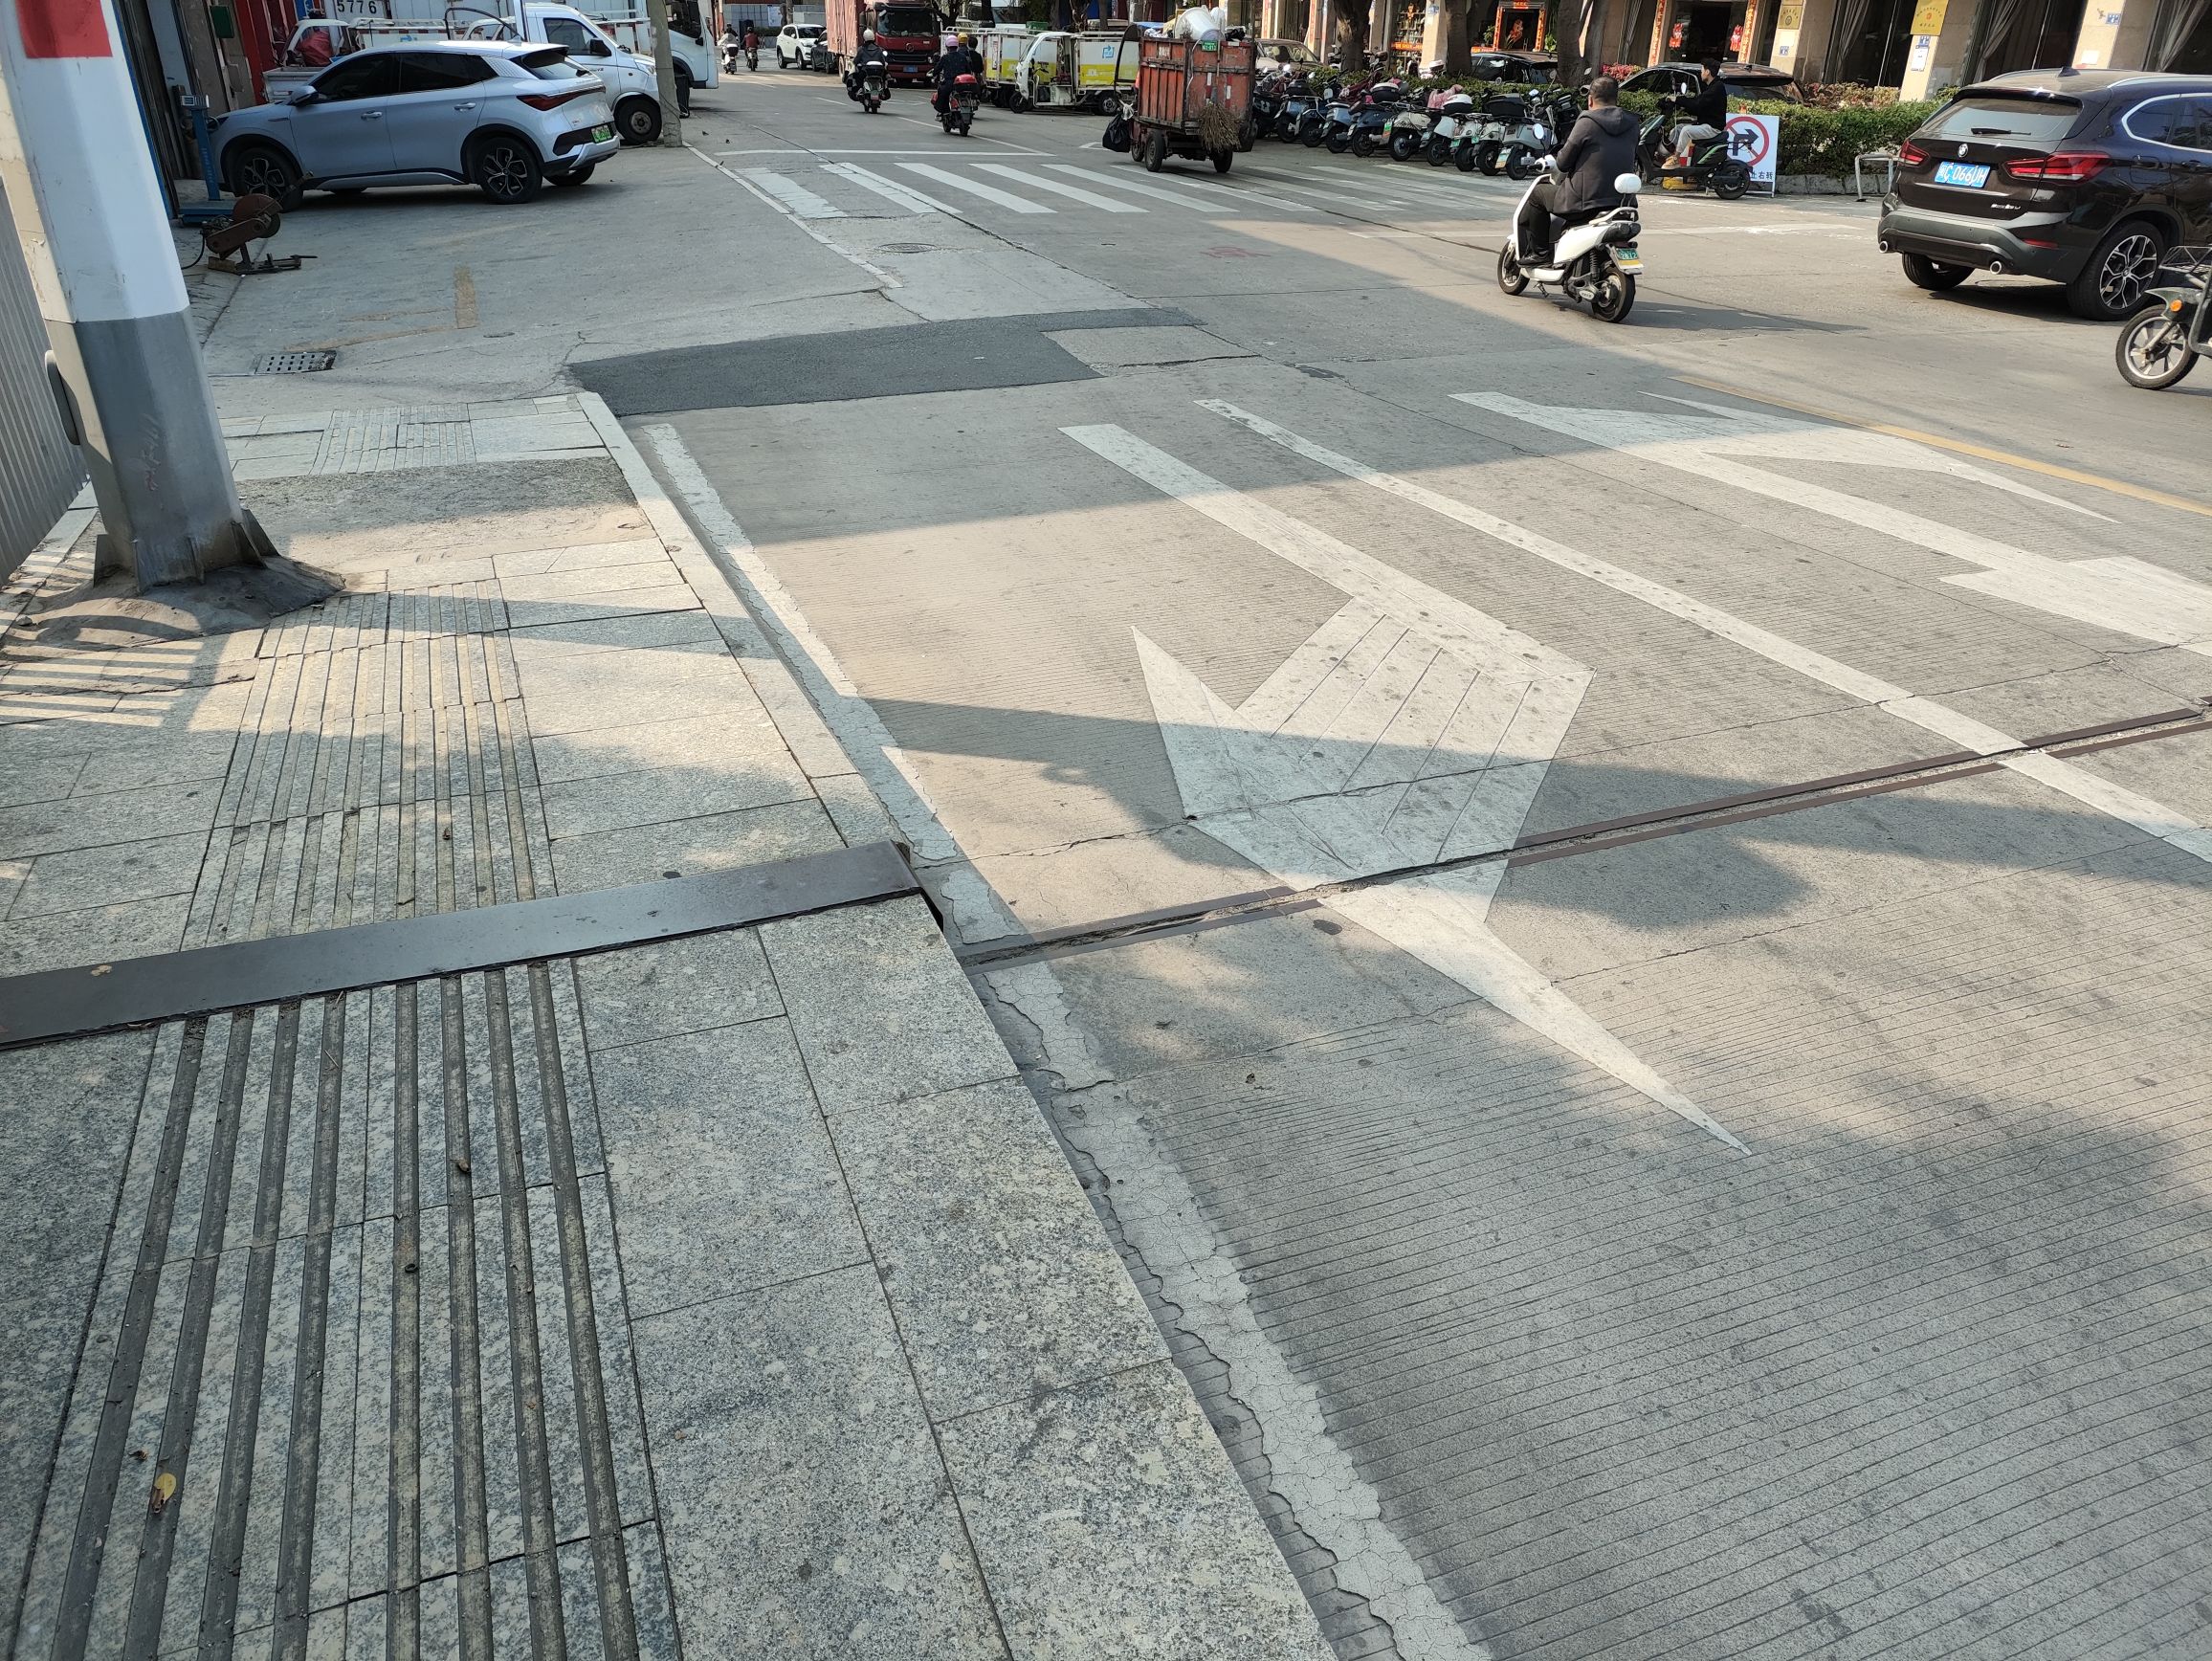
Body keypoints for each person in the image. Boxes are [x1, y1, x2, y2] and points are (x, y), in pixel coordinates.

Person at [1516, 74, 1638, 264]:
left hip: (1585, 201)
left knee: (1538, 194)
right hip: (1621, 202)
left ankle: (1540, 253)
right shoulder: (1633, 124)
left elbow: (1563, 163)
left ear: (1590, 100)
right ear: (1616, 99)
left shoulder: (1587, 122)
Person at [1668, 57, 1728, 166]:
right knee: (1678, 128)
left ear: (1707, 72)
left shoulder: (1717, 88)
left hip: (1712, 128)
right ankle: (1668, 155)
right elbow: (1699, 104)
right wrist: (1683, 105)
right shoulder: (1711, 86)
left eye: (1702, 71)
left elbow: (1697, 104)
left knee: (1686, 130)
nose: (1701, 73)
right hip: (1705, 124)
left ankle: (1675, 159)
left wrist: (1678, 100)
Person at [935, 30, 982, 115]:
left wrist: (934, 74)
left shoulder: (945, 57)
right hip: (962, 84)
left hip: (950, 83)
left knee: (941, 93)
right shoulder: (963, 56)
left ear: (947, 46)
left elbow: (937, 69)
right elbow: (968, 70)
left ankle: (943, 112)